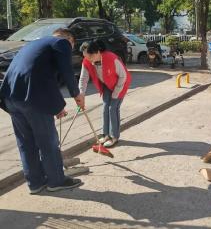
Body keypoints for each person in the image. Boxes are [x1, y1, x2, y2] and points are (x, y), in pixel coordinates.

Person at [0, 29, 84, 194]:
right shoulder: (61, 43)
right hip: (33, 99)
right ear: (70, 39)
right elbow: (67, 71)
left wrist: (57, 106)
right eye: (72, 45)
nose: (70, 48)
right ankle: (56, 181)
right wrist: (77, 94)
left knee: (26, 143)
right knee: (48, 142)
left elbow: (42, 77)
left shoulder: (32, 45)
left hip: (10, 98)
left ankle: (35, 183)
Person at [78, 40, 131, 148]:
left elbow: (123, 76)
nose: (87, 59)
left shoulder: (111, 57)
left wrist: (116, 93)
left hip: (120, 84)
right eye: (85, 56)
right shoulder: (87, 61)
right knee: (105, 108)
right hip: (107, 85)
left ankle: (114, 137)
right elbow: (83, 78)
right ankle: (106, 134)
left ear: (97, 52)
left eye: (89, 56)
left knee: (113, 108)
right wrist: (81, 94)